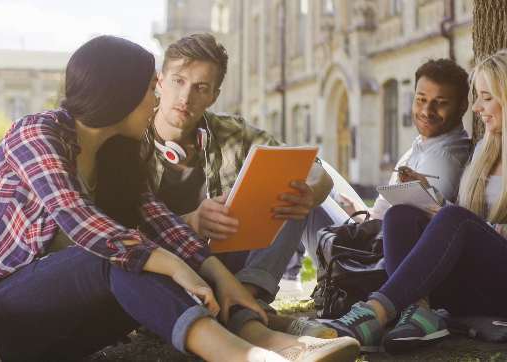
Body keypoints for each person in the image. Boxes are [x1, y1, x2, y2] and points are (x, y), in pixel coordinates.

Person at [0, 35, 359, 362]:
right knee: (118, 253)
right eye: (150, 88)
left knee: (157, 249)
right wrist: (179, 268)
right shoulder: (35, 135)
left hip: (59, 337)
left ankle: (253, 327)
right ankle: (247, 353)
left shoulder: (118, 155)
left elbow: (164, 225)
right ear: (118, 92)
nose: (158, 98)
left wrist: (223, 280)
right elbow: (84, 224)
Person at [323, 49, 507, 354]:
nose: (477, 107)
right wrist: (430, 197)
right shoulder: (485, 150)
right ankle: (419, 314)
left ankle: (375, 311)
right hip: (478, 286)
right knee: (400, 214)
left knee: (455, 219)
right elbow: (465, 220)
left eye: (486, 97)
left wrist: (472, 224)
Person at [102, 33, 337, 338]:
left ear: (214, 95)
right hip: (165, 269)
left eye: (201, 88)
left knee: (290, 188)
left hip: (230, 264)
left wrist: (310, 192)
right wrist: (193, 222)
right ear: (159, 82)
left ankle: (246, 304)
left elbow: (316, 172)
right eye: (178, 81)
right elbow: (114, 230)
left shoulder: (230, 132)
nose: (186, 97)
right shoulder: (129, 137)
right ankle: (250, 319)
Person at [300, 58, 474, 272]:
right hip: (373, 234)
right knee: (318, 168)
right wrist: (361, 212)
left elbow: (410, 233)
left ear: (462, 106)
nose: (427, 111)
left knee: (299, 190)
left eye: (440, 103)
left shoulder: (444, 159)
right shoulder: (426, 144)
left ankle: (277, 277)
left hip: (368, 262)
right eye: (421, 99)